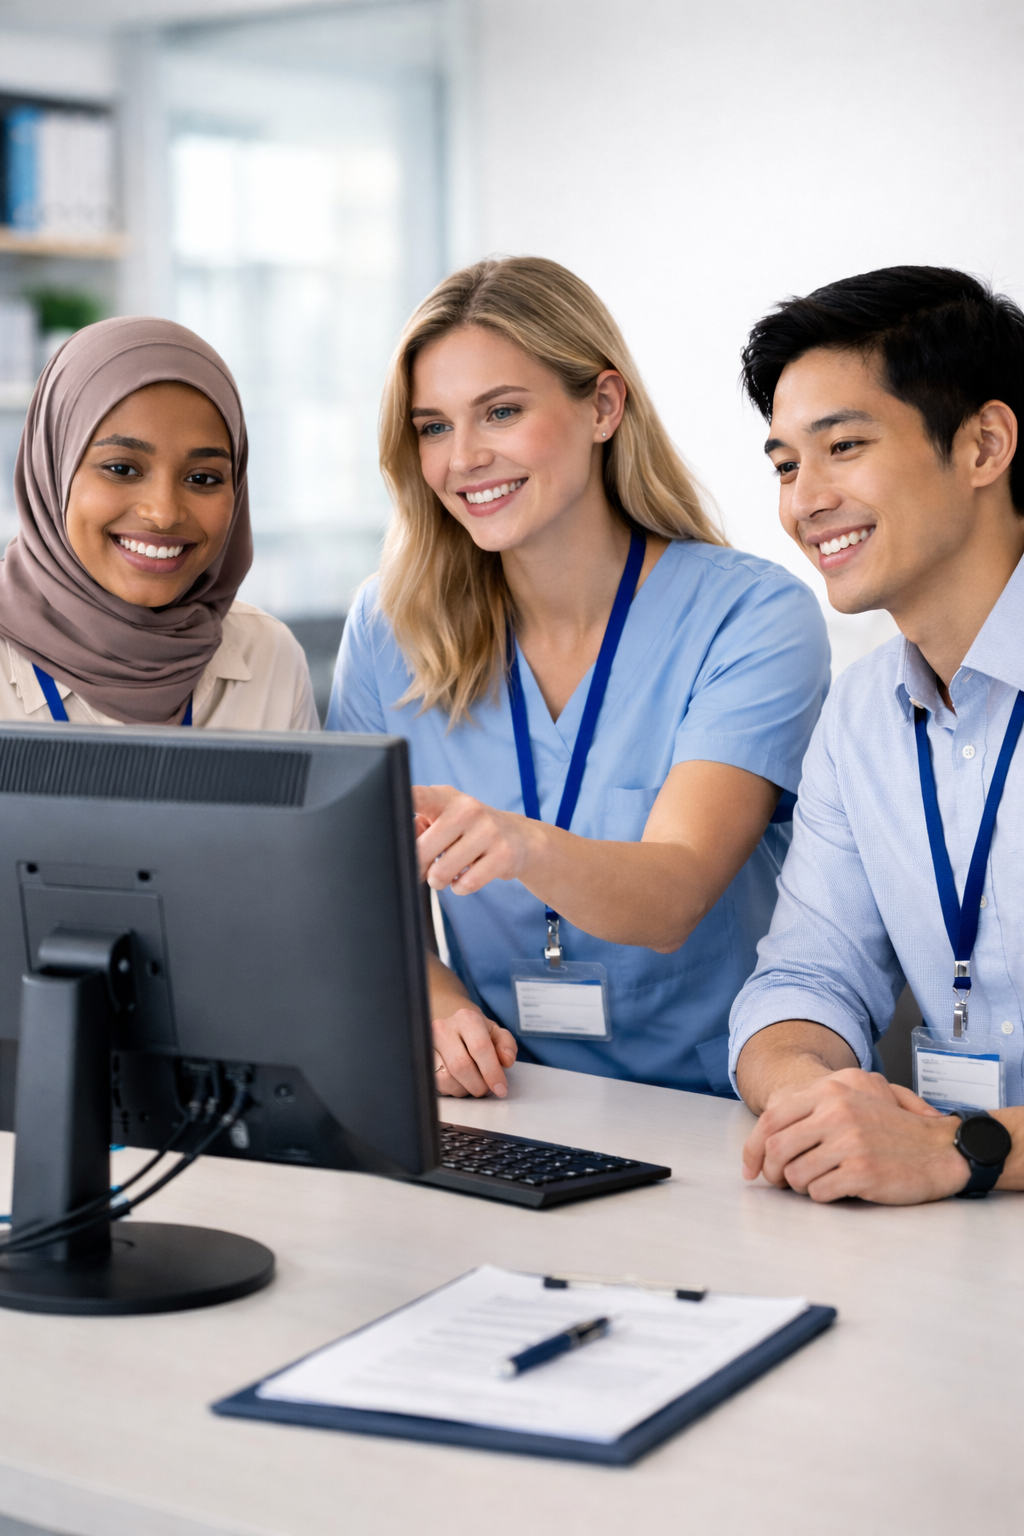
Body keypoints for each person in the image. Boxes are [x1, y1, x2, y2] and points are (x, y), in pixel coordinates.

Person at [329, 256, 828, 1099]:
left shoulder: (751, 616)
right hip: (510, 1108)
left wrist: (521, 843)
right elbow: (360, 894)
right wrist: (438, 1001)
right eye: (432, 426)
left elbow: (672, 897)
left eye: (501, 412)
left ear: (603, 406)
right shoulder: (388, 628)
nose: (464, 458)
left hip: (716, 1116)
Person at [730, 265, 1024, 1203]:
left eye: (843, 446)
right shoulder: (860, 716)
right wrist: (820, 1104)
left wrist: (962, 1151)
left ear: (983, 444)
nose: (803, 501)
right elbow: (805, 979)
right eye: (784, 464)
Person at [0, 315, 317, 731]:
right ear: (52, 469)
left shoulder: (269, 658)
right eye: (122, 469)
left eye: (202, 478)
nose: (164, 513)